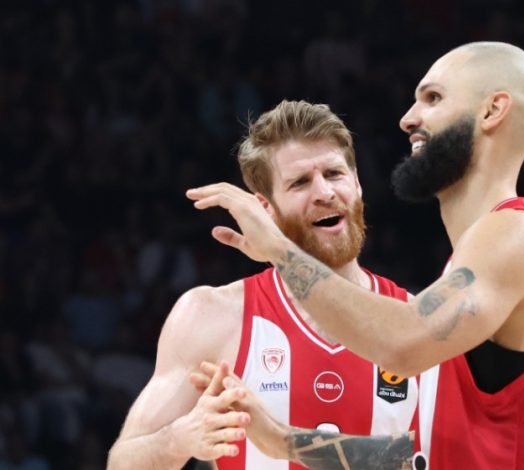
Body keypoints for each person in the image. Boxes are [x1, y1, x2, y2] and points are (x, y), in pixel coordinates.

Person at [187, 42, 524, 469]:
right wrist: (282, 440)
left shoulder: (516, 235)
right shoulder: (482, 259)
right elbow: (421, 455)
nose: (408, 118)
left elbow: (401, 344)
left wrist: (277, 248)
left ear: (492, 111)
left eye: (433, 98)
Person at [108, 101, 418, 470]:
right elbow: (122, 462)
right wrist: (180, 438)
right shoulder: (213, 315)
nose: (324, 192)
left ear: (357, 184)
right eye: (300, 182)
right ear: (264, 208)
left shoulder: (417, 323)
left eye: (334, 174)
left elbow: (442, 457)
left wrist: (281, 440)